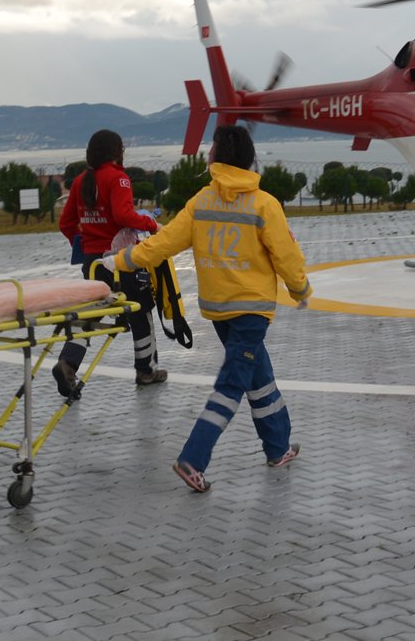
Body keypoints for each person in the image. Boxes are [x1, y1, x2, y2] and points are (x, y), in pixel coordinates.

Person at [113, 124, 311, 493]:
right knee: (232, 384)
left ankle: (278, 447)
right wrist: (301, 289)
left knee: (259, 377)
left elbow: (163, 243)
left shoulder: (201, 201)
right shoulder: (265, 204)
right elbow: (286, 256)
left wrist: (121, 261)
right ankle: (193, 458)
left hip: (219, 313)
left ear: (216, 158)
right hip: (252, 313)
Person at [58, 129, 167, 385]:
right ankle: (146, 370)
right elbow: (123, 216)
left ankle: (68, 362)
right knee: (141, 311)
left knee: (91, 314)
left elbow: (66, 224)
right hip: (121, 261)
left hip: (92, 262)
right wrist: (151, 224)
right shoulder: (119, 179)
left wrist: (83, 244)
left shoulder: (80, 181)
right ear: (118, 152)